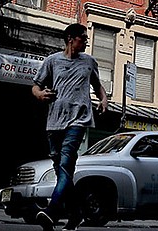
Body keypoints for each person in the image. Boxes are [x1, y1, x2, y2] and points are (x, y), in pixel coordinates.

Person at [32, 23, 108, 231]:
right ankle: (76, 215)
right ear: (70, 38)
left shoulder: (89, 62)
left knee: (66, 164)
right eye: (83, 38)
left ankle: (51, 212)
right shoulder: (52, 61)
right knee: (61, 171)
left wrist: (103, 99)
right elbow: (35, 85)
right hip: (55, 121)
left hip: (79, 119)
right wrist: (39, 94)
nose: (86, 41)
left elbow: (97, 85)